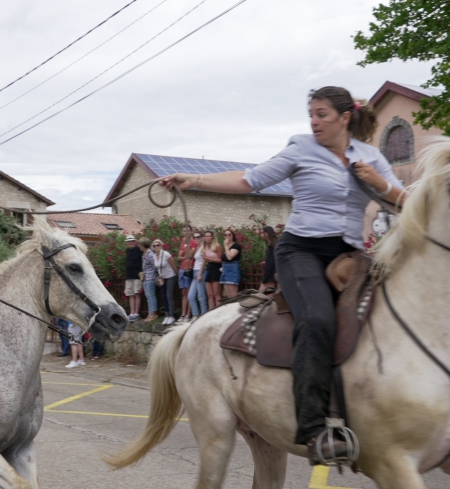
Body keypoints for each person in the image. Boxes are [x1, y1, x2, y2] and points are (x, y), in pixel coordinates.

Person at [161, 86, 406, 464]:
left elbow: (405, 201)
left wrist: (380, 184)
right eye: (311, 115)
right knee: (317, 320)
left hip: (349, 256)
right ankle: (314, 428)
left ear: (345, 117)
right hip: (301, 251)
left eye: (322, 114)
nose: (314, 122)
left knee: (392, 316)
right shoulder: (301, 149)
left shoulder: (371, 157)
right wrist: (192, 180)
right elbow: (249, 180)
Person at [151, 239, 178, 325]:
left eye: (158, 245)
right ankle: (167, 315)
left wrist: (178, 276)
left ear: (161, 246)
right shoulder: (154, 256)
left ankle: (171, 316)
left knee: (169, 296)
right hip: (162, 278)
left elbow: (173, 265)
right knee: (164, 296)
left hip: (170, 276)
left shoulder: (166, 254)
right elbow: (157, 268)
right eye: (154, 246)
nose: (156, 247)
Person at [177, 226, 197, 322]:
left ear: (191, 231)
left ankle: (188, 314)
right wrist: (185, 257)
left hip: (189, 268)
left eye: (187, 230)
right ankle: (183, 314)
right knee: (184, 292)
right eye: (184, 231)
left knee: (189, 292)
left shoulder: (193, 242)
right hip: (182, 268)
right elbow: (179, 257)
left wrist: (187, 246)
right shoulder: (183, 242)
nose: (186, 232)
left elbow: (190, 255)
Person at [200, 230, 223, 310]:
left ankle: (218, 311)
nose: (208, 238)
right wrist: (200, 273)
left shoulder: (217, 246)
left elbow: (221, 260)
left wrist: (211, 259)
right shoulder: (204, 247)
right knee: (210, 295)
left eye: (209, 236)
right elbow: (204, 260)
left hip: (216, 269)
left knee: (217, 294)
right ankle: (210, 312)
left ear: (212, 237)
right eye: (206, 236)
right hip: (209, 269)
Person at [187, 231, 208, 318]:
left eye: (198, 237)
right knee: (190, 296)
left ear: (202, 238)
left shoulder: (203, 247)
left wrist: (200, 274)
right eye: (194, 237)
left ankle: (203, 316)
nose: (196, 239)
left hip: (201, 271)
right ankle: (196, 315)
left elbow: (204, 261)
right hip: (195, 271)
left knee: (201, 296)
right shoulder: (197, 247)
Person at [123, 235, 143, 321]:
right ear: (126, 243)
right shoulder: (127, 251)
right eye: (129, 241)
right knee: (130, 294)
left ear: (135, 242)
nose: (130, 242)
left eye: (132, 241)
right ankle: (132, 313)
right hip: (129, 275)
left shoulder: (139, 250)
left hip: (137, 276)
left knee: (136, 293)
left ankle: (136, 313)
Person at [140, 237, 158, 321]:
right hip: (145, 278)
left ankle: (153, 314)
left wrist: (155, 275)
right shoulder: (144, 254)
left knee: (151, 296)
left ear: (143, 245)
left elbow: (155, 265)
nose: (139, 246)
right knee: (148, 296)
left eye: (140, 245)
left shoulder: (150, 254)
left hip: (151, 277)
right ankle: (150, 313)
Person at [220, 229, 242, 299]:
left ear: (233, 236)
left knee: (233, 295)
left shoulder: (236, 245)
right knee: (228, 295)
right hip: (225, 270)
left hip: (232, 270)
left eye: (229, 234)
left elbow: (230, 257)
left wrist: (226, 246)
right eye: (225, 235)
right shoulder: (226, 247)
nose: (227, 236)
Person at [259, 226, 278, 291]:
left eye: (263, 233)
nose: (261, 235)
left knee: (262, 294)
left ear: (267, 234)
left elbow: (270, 264)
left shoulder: (271, 247)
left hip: (270, 276)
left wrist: (265, 279)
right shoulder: (275, 244)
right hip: (276, 273)